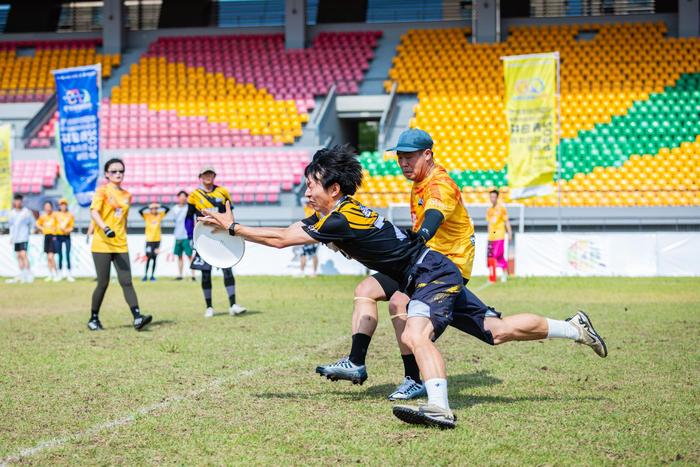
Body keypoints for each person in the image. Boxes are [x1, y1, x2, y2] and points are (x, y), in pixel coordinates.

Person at [200, 145, 607, 429]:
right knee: (496, 332)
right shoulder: (339, 214)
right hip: (426, 273)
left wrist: (231, 227)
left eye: (312, 184)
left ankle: (439, 407)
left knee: (415, 330)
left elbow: (282, 238)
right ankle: (574, 327)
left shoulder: (338, 219)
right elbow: (287, 232)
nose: (306, 190)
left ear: (334, 190)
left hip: (431, 273)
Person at [316, 129, 475, 403]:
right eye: (400, 157)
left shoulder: (439, 183)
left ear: (428, 154)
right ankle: (356, 362)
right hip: (420, 262)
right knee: (365, 289)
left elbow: (435, 213)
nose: (403, 163)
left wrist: (423, 234)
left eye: (409, 157)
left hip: (443, 267)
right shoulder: (420, 182)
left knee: (398, 304)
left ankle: (414, 380)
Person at [88, 158, 153, 331]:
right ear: (107, 174)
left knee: (126, 281)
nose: (118, 174)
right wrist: (105, 228)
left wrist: (122, 234)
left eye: (121, 171)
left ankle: (137, 317)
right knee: (103, 282)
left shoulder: (127, 195)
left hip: (120, 244)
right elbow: (94, 212)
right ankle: (93, 318)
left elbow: (122, 220)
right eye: (114, 171)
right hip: (102, 243)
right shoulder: (102, 191)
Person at [186, 166, 246, 318]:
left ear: (214, 176)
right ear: (200, 176)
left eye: (211, 174)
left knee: (227, 268)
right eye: (205, 174)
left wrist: (232, 230)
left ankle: (233, 305)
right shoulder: (194, 195)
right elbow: (188, 217)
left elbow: (229, 212)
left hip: (222, 235)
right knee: (205, 272)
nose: (208, 176)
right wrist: (189, 237)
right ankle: (209, 307)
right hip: (203, 238)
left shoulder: (223, 192)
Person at [6, 194, 34, 283]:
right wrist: (11, 237)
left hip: (24, 237)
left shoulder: (26, 212)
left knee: (23, 254)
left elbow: (32, 222)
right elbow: (11, 226)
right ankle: (22, 274)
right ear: (14, 202)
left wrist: (32, 230)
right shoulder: (11, 213)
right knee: (18, 256)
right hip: (16, 238)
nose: (18, 202)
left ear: (22, 202)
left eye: (19, 200)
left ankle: (29, 274)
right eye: (16, 200)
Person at [139, 202, 169, 282]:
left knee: (154, 258)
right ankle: (145, 275)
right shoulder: (147, 216)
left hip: (157, 241)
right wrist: (148, 206)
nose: (154, 210)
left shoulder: (160, 215)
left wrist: (159, 205)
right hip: (149, 241)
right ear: (150, 209)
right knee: (148, 258)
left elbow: (167, 209)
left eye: (155, 208)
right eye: (152, 208)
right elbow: (140, 211)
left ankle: (152, 276)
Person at [487, 189, 512, 282]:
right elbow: (489, 223)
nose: (492, 199)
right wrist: (488, 234)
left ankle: (504, 273)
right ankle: (493, 276)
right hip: (491, 237)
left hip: (500, 235)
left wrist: (510, 233)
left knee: (497, 255)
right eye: (491, 197)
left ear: (497, 198)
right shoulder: (489, 210)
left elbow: (506, 221)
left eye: (494, 197)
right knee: (491, 257)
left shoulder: (501, 208)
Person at [172, 190, 195, 281]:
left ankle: (193, 275)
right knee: (179, 256)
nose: (182, 198)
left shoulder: (189, 208)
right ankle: (180, 275)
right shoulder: (175, 209)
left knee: (189, 256)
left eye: (184, 196)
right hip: (178, 235)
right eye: (181, 196)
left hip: (187, 236)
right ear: (178, 198)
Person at [36, 200, 59, 282]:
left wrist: (55, 229)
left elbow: (59, 224)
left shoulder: (55, 215)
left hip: (53, 236)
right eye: (46, 207)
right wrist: (42, 228)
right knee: (48, 257)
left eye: (49, 207)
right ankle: (50, 274)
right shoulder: (43, 216)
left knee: (51, 256)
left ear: (51, 207)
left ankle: (56, 274)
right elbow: (37, 224)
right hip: (46, 236)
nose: (47, 208)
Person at [54, 198, 75, 282]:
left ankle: (69, 274)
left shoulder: (70, 215)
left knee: (67, 254)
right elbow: (54, 225)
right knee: (59, 255)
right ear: (59, 206)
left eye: (64, 204)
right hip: (58, 236)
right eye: (61, 204)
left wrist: (66, 230)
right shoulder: (56, 215)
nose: (63, 206)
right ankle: (59, 274)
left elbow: (72, 227)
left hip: (67, 236)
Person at [299, 199, 319, 277]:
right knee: (303, 253)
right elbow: (302, 200)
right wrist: (310, 199)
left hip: (314, 233)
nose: (309, 204)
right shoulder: (307, 208)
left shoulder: (316, 211)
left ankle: (314, 272)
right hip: (306, 233)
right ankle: (302, 272)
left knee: (313, 253)